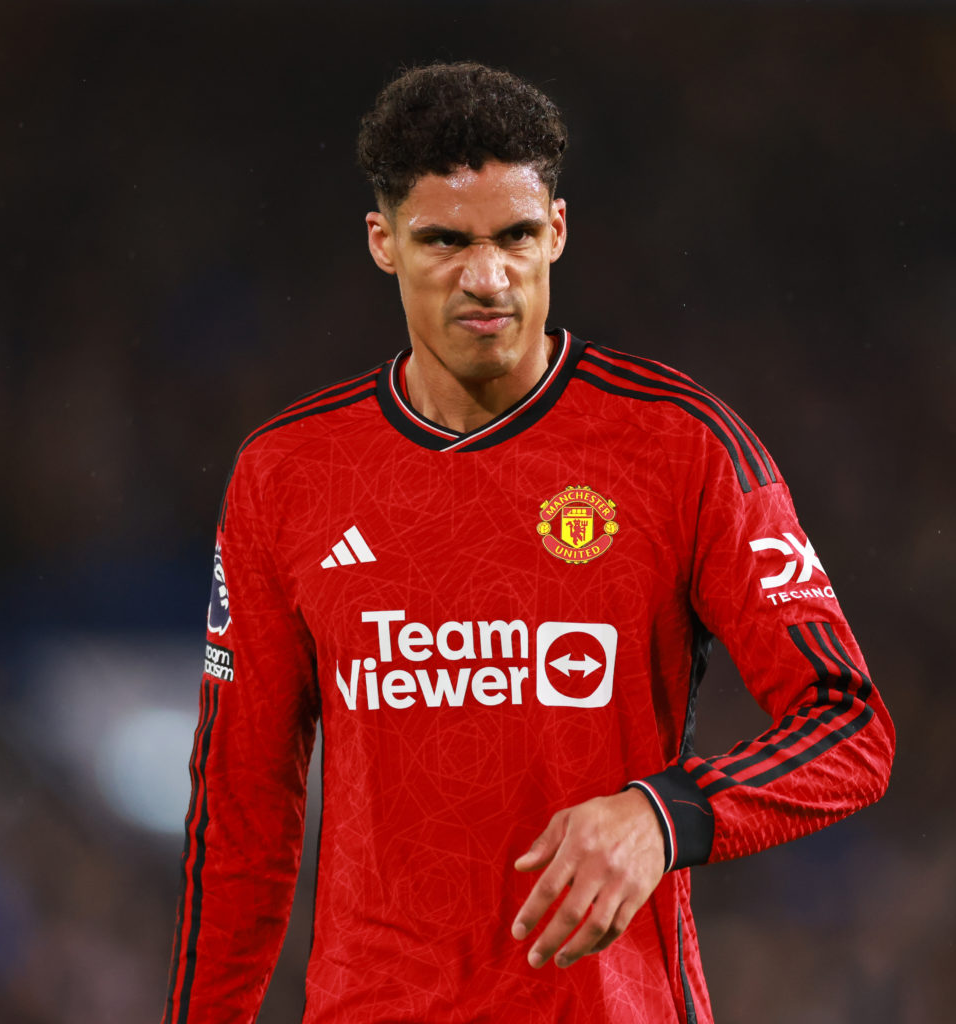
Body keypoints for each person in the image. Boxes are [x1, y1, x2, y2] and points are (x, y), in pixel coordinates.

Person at [162, 62, 894, 1024]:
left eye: (513, 236)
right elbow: (241, 818)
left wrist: (662, 816)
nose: (486, 276)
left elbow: (848, 726)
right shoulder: (287, 476)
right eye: (444, 242)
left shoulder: (682, 449)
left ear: (557, 228)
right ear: (383, 243)